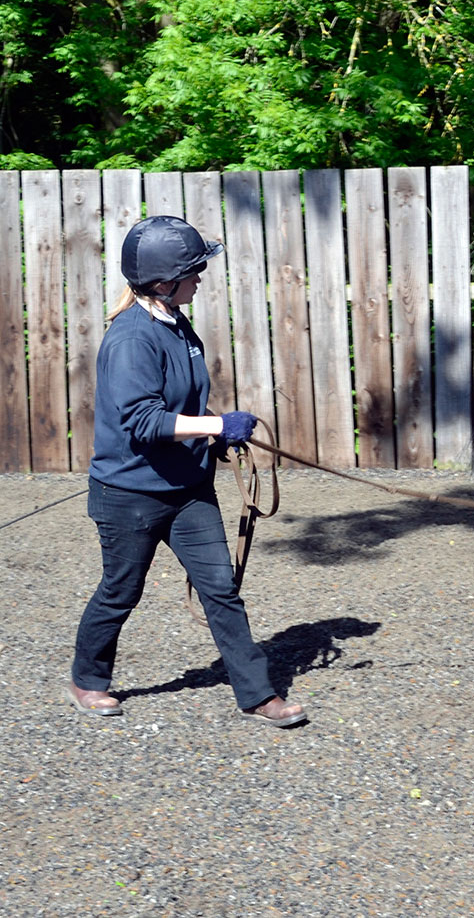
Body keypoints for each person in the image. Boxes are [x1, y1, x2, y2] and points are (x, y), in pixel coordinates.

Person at [66, 215, 306, 727]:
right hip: (130, 494)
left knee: (221, 588)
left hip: (189, 489)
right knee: (120, 590)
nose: (201, 278)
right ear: (164, 280)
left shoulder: (176, 323)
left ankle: (258, 694)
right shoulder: (132, 338)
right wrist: (218, 423)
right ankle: (88, 679)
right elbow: (144, 420)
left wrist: (213, 436)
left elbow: (181, 403)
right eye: (194, 271)